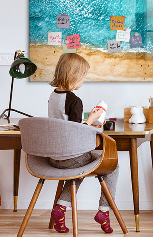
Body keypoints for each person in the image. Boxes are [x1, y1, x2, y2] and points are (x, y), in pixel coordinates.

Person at [48, 53, 118, 234]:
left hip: (54, 157)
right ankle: (104, 211)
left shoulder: (53, 96)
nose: (83, 81)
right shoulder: (74, 100)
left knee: (78, 168)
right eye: (83, 77)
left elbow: (65, 125)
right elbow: (76, 132)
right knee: (113, 165)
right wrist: (93, 119)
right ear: (74, 76)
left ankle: (60, 209)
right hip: (71, 157)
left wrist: (88, 121)